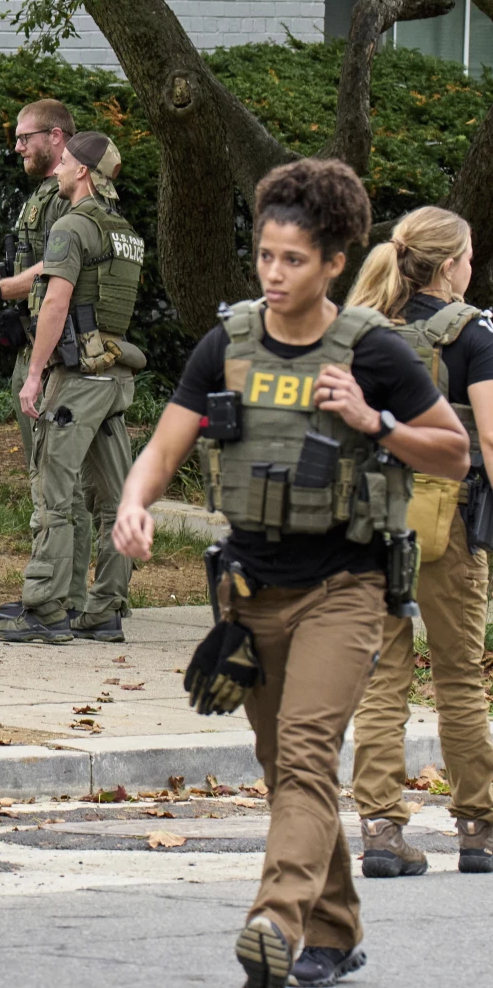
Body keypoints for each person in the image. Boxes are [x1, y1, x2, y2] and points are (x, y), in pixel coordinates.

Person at [113, 159, 468, 988]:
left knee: (306, 754)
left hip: (345, 589)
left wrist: (376, 421)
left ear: (334, 263)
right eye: (266, 256)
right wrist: (134, 504)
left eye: (294, 260)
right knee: (286, 769)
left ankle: (274, 920)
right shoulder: (228, 344)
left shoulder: (374, 351)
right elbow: (164, 445)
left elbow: (453, 451)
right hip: (249, 593)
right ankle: (334, 932)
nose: (274, 274)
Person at [346, 206, 493, 879]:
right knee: (459, 676)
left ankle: (381, 829)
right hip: (448, 519)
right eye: (469, 256)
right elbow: (487, 435)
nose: (472, 267)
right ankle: (478, 829)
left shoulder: (362, 328)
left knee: (383, 675)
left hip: (371, 517)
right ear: (450, 264)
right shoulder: (472, 333)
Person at [0, 131, 144, 644]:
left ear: (82, 172)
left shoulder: (72, 226)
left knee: (53, 492)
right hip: (114, 378)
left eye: (66, 162)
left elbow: (56, 302)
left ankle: (46, 607)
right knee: (116, 498)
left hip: (76, 381)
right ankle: (106, 610)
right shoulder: (124, 232)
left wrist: (34, 374)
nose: (56, 169)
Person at [0, 99, 99, 625]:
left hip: (59, 356)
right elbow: (30, 264)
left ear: (56, 137)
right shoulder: (45, 193)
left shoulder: (71, 196)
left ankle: (65, 598)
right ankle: (58, 591)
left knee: (62, 481)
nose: (17, 147)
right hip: (37, 347)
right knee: (46, 475)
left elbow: (52, 272)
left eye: (24, 137)